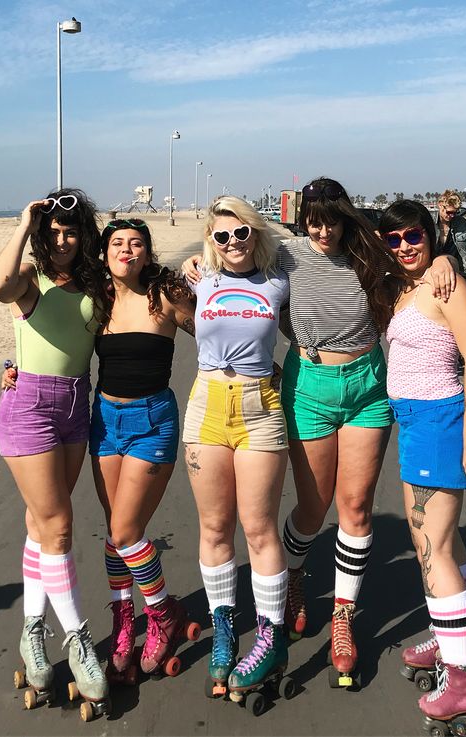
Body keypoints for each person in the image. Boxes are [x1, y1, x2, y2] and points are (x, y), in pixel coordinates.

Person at [183, 178, 456, 687]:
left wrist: (443, 258)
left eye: (332, 219)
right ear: (302, 217)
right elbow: (234, 268)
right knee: (312, 508)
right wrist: (196, 261)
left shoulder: (371, 253)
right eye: (313, 219)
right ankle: (292, 580)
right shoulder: (286, 256)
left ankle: (343, 619)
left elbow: (417, 263)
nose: (323, 230)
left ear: (347, 216)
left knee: (355, 507)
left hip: (367, 386)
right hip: (308, 384)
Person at [0, 189, 109, 709]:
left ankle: (32, 631)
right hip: (29, 408)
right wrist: (22, 224)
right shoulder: (29, 284)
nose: (62, 240)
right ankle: (79, 638)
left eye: (71, 231)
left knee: (41, 525)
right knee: (59, 525)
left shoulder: (95, 285)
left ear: (83, 234)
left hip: (75, 407)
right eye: (53, 232)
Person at [379, 200, 466, 730]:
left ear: (429, 234)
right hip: (417, 423)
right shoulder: (404, 284)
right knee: (444, 541)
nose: (404, 246)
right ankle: (456, 638)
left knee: (432, 548)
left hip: (441, 424)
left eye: (413, 236)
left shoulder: (449, 285)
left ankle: (463, 680)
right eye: (394, 238)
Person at [182, 196, 291, 699]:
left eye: (241, 233)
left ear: (255, 232)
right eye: (222, 236)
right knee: (213, 526)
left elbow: (341, 259)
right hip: (207, 402)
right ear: (212, 239)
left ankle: (270, 635)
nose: (232, 244)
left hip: (260, 406)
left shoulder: (279, 278)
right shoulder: (198, 278)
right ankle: (224, 627)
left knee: (258, 527)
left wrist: (441, 253)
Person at [89, 218, 198, 680]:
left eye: (136, 243)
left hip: (152, 422)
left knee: (128, 530)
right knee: (115, 534)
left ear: (148, 254)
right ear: (104, 253)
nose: (127, 250)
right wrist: (14, 367)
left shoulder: (169, 297)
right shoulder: (95, 301)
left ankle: (160, 615)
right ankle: (121, 622)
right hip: (104, 422)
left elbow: (219, 335)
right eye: (117, 243)